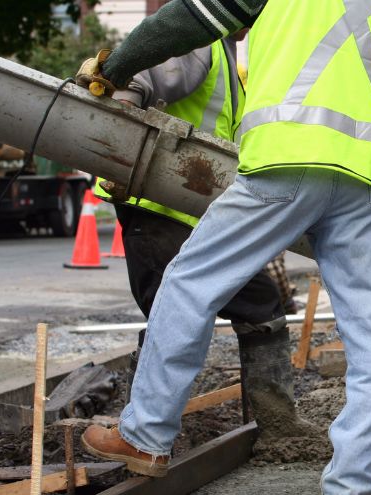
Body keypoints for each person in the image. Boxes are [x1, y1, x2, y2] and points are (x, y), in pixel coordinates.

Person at [76, 0, 371, 492]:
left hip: (286, 163)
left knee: (191, 283)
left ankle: (146, 436)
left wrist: (112, 69)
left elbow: (187, 21)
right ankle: (351, 484)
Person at [92, 29, 311, 453]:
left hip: (193, 214)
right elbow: (136, 83)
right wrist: (118, 150)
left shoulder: (227, 57)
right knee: (173, 310)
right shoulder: (197, 39)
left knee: (257, 303)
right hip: (155, 209)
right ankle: (142, 434)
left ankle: (276, 425)